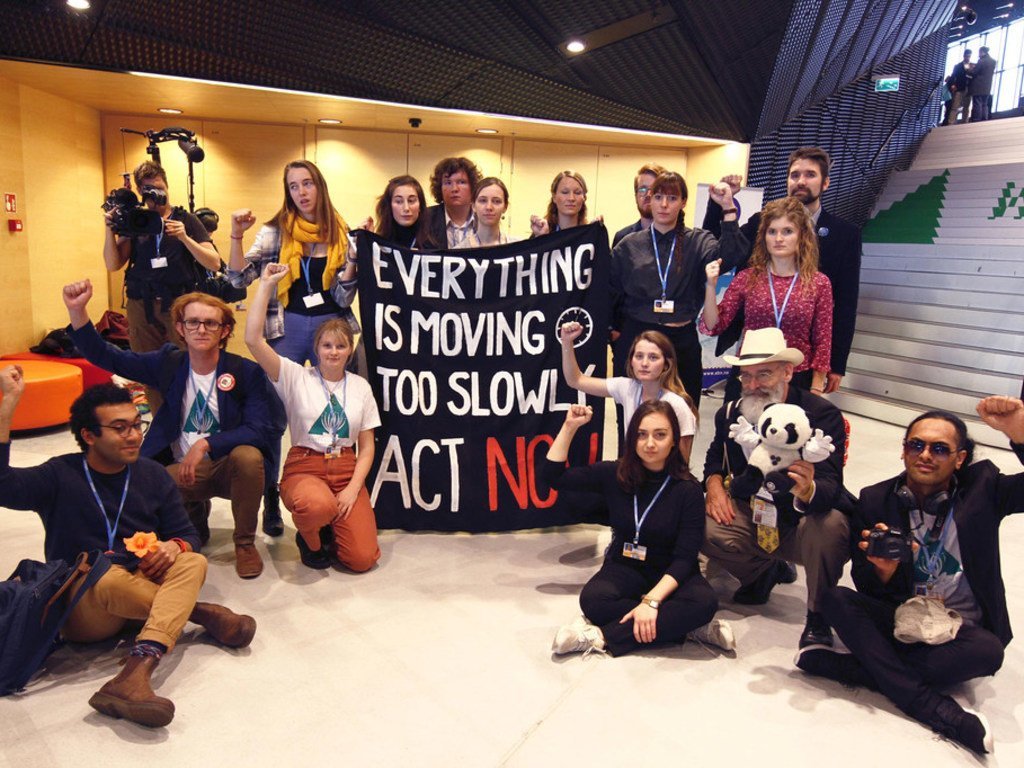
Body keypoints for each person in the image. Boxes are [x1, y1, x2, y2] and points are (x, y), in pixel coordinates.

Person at [0, 369, 256, 728]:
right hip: (85, 606)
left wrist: (172, 546)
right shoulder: (59, 474)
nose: (134, 435)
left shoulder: (151, 475)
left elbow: (187, 535)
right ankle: (197, 613)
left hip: (137, 597)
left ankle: (134, 674)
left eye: (137, 424)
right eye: (120, 428)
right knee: (108, 579)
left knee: (192, 561)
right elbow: (3, 484)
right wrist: (9, 403)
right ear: (88, 435)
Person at [796, 398, 1024, 755]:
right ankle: (935, 708)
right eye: (916, 445)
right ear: (903, 451)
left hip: (961, 630)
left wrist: (1019, 434)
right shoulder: (875, 500)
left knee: (989, 652)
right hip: (904, 623)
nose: (925, 455)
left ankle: (856, 668)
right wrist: (883, 573)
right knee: (835, 599)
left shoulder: (985, 487)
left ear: (960, 459)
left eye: (939, 449)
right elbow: (869, 588)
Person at [63, 280, 280, 579]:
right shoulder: (167, 363)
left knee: (249, 456)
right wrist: (78, 311)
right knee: (147, 487)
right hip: (182, 469)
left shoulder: (245, 371)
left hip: (227, 466)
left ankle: (244, 544)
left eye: (210, 323)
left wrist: (205, 444)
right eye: (193, 322)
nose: (201, 329)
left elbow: (259, 430)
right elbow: (107, 356)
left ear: (224, 331)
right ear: (180, 328)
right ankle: (192, 519)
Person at [226, 160, 355, 533]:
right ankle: (271, 496)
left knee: (333, 411)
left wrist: (356, 261)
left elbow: (346, 294)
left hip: (332, 329)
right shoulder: (274, 233)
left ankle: (334, 492)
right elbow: (237, 278)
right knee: (274, 417)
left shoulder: (343, 233)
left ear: (320, 186)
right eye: (294, 186)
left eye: (308, 183)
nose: (301, 192)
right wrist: (236, 236)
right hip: (288, 327)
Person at [702, 327, 850, 649]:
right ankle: (761, 572)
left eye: (764, 375)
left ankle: (818, 616)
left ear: (788, 371)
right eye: (746, 377)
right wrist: (714, 486)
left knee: (831, 525)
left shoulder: (822, 416)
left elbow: (831, 487)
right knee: (699, 524)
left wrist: (807, 488)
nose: (753, 386)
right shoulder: (732, 412)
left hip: (799, 524)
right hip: (753, 513)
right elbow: (715, 459)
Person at [545, 401, 732, 656]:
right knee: (592, 600)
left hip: (672, 572)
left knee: (704, 603)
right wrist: (569, 427)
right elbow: (552, 478)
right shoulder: (616, 473)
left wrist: (652, 601)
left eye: (660, 435)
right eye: (642, 435)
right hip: (626, 565)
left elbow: (685, 558)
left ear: (674, 440)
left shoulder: (687, 489)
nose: (650, 443)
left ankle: (599, 636)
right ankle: (686, 627)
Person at [244, 262, 381, 573]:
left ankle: (332, 524)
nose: (333, 351)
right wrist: (266, 285)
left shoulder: (360, 387)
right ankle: (311, 538)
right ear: (316, 349)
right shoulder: (295, 376)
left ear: (349, 351)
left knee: (362, 560)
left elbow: (367, 447)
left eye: (340, 346)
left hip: (347, 468)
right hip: (306, 465)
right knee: (316, 505)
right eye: (326, 345)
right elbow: (253, 340)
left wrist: (352, 488)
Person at [703, 147, 862, 395]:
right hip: (752, 358)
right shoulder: (760, 222)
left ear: (826, 183)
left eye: (810, 174)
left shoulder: (845, 235)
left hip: (799, 365)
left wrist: (835, 364)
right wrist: (722, 205)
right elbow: (721, 249)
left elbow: (845, 305)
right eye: (794, 174)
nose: (801, 181)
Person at [611, 171, 746, 408]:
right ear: (650, 199)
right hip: (638, 338)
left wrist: (727, 206)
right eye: (658, 197)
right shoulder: (629, 245)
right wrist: (613, 333)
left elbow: (732, 255)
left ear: (683, 202)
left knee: (685, 413)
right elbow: (610, 293)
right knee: (632, 416)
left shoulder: (698, 241)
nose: (664, 205)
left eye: (672, 198)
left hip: (681, 341)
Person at [103, 160, 219, 413]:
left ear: (167, 186)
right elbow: (113, 264)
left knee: (188, 365)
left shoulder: (185, 219)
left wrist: (184, 237)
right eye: (148, 190)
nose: (156, 194)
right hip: (141, 305)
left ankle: (192, 421)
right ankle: (161, 426)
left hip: (180, 304)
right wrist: (109, 231)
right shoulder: (137, 221)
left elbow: (214, 261)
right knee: (149, 371)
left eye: (159, 187)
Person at [701, 196, 833, 393]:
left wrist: (816, 388)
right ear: (764, 237)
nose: (778, 239)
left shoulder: (818, 283)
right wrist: (711, 287)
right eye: (772, 232)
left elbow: (823, 340)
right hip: (749, 374)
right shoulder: (748, 277)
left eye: (787, 231)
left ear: (801, 236)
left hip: (795, 378)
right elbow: (713, 325)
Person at [559, 322, 697, 461]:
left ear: (666, 364)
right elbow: (575, 380)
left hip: (661, 478)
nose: (644, 363)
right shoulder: (628, 387)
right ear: (631, 361)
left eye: (653, 357)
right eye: (639, 356)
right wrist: (567, 342)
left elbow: (682, 466)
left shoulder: (677, 405)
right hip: (631, 473)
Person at [426, 156, 483, 248]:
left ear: (473, 186)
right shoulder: (426, 218)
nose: (454, 189)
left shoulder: (483, 218)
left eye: (461, 182)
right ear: (439, 187)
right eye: (448, 183)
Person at [371, 174, 439, 249]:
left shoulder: (433, 244)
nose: (406, 208)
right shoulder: (378, 243)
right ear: (389, 206)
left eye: (411, 201)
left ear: (420, 205)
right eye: (399, 201)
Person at [612, 163, 665, 247]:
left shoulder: (680, 239)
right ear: (636, 196)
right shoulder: (622, 237)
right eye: (643, 189)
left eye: (654, 189)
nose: (648, 194)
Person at [530, 170, 589, 236]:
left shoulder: (589, 234)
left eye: (577, 193)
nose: (571, 198)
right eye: (565, 192)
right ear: (554, 197)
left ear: (584, 198)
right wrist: (542, 239)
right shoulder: (541, 231)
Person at [457, 177, 512, 247]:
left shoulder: (518, 249)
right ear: (473, 206)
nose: (489, 207)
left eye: (496, 201)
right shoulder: (459, 252)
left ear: (505, 207)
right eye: (483, 200)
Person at [944, 49, 973, 125]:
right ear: (964, 56)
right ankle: (951, 123)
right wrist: (953, 85)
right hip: (959, 88)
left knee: (966, 107)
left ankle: (965, 122)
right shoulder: (958, 66)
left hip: (968, 88)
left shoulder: (972, 66)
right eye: (967, 56)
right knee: (955, 106)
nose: (968, 58)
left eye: (969, 56)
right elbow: (953, 76)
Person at [968, 46, 997, 122]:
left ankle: (977, 119)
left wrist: (970, 69)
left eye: (979, 52)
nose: (978, 54)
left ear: (981, 52)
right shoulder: (993, 61)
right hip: (987, 86)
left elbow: (974, 72)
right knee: (985, 104)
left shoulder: (981, 61)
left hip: (978, 86)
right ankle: (984, 118)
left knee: (977, 103)